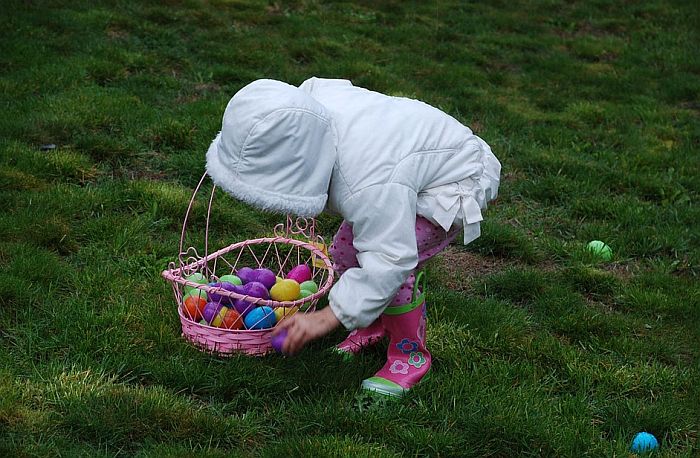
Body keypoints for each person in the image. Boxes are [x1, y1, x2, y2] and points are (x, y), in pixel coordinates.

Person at [206, 77, 501, 397]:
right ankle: (375, 321)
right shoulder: (304, 111)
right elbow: (327, 86)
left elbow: (390, 258)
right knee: (346, 253)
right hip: (404, 158)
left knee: (395, 271)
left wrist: (327, 318)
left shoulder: (369, 180)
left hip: (455, 178)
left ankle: (409, 356)